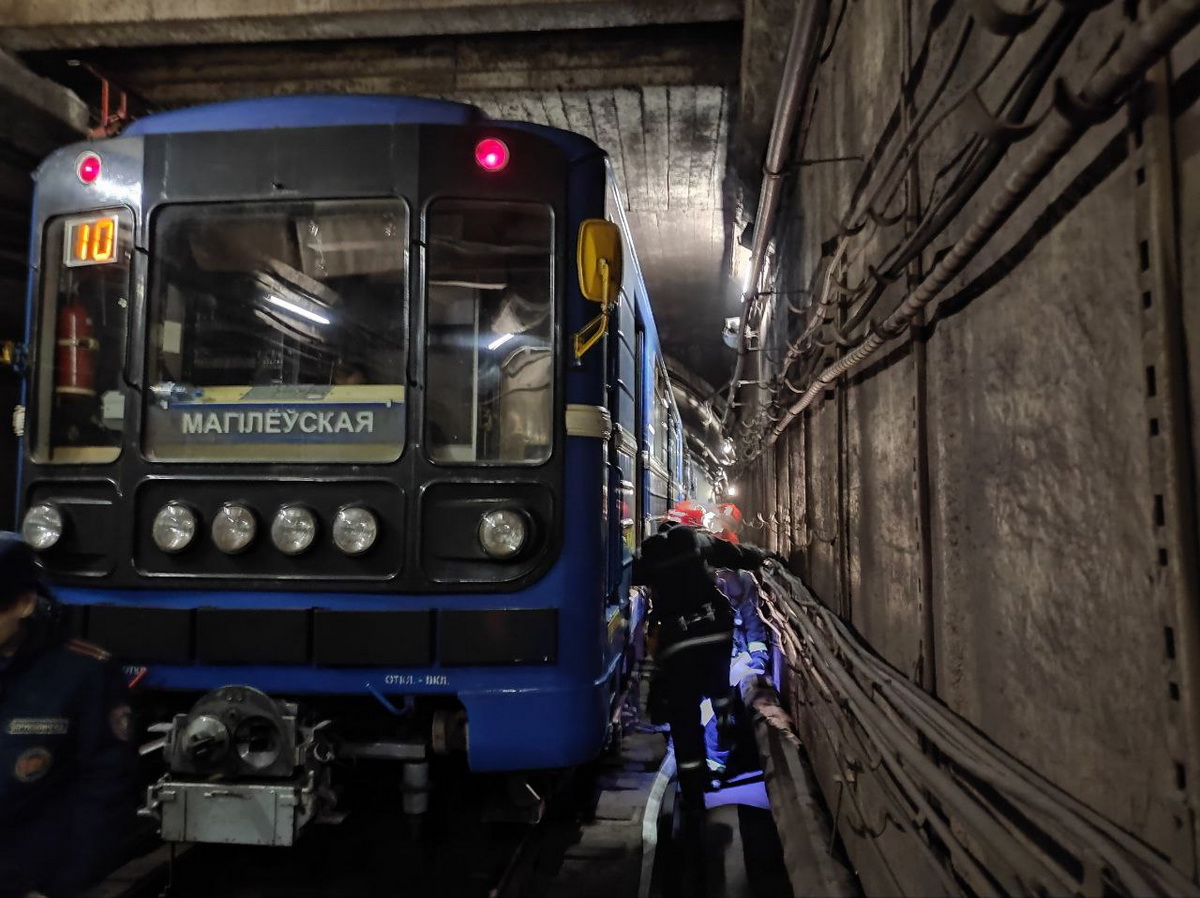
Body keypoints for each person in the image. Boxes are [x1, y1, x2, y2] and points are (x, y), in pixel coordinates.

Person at [632, 502, 772, 879]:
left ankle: (693, 794)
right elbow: (739, 555)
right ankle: (728, 735)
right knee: (719, 689)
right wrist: (765, 557)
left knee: (683, 716)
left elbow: (629, 580)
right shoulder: (696, 542)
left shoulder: (648, 553)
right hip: (715, 629)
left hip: (677, 641)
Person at [0, 534, 138, 898]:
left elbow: (105, 788)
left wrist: (62, 885)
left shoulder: (84, 673)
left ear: (24, 603)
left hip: (36, 880)